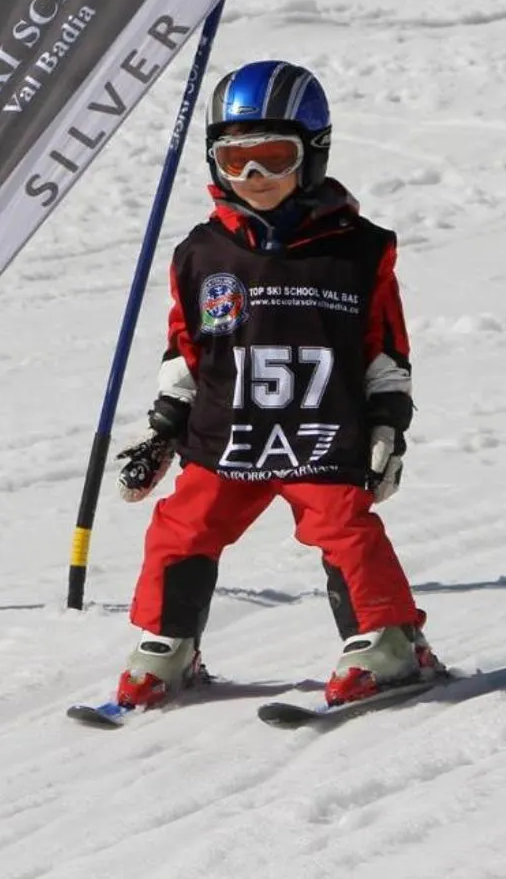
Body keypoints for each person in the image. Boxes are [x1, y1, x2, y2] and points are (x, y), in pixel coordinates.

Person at [112, 59, 439, 708]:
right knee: (182, 526)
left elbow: (383, 347)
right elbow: (188, 348)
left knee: (345, 527)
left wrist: (386, 426)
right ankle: (169, 642)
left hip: (318, 432)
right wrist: (162, 429)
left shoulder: (357, 251)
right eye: (235, 161)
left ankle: (388, 640)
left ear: (313, 154)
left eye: (271, 157)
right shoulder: (203, 254)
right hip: (225, 434)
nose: (253, 177)